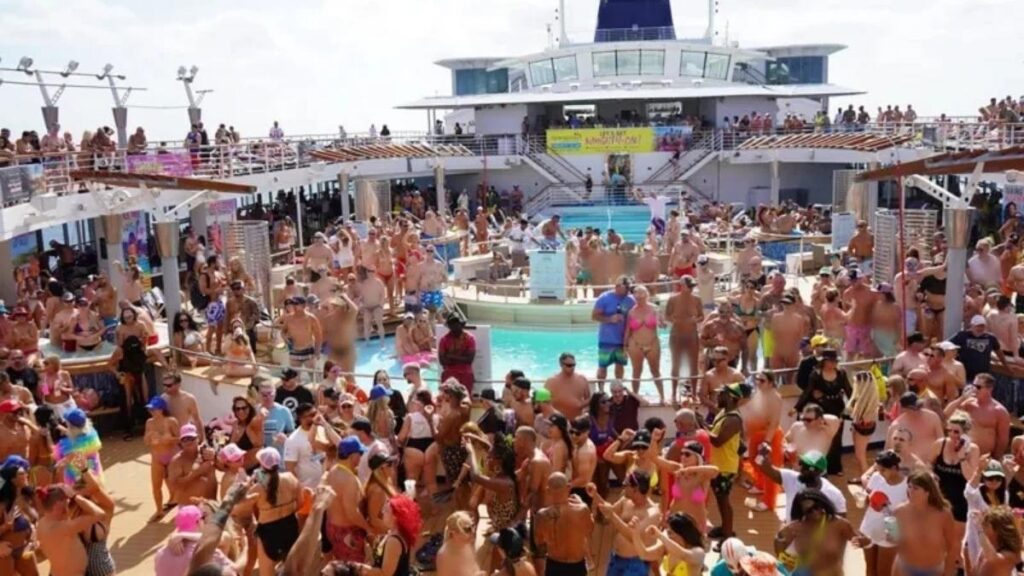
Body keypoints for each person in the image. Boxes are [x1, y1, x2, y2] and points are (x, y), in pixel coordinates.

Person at [774, 489, 864, 575]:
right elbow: (780, 550)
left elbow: (860, 542)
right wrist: (780, 539)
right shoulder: (796, 527)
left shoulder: (840, 524)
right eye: (809, 510)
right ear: (802, 512)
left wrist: (867, 541)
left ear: (822, 502)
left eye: (816, 506)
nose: (815, 512)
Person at [794, 349, 851, 476]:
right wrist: (797, 407)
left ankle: (835, 467)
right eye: (831, 361)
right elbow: (808, 391)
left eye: (835, 361)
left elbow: (848, 390)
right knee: (822, 437)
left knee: (836, 438)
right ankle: (820, 466)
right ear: (824, 362)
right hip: (821, 408)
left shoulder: (841, 373)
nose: (833, 364)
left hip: (837, 408)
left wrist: (855, 405)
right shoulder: (816, 374)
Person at [892, 470, 958, 576]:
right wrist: (889, 530)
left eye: (916, 488)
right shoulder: (899, 512)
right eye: (909, 487)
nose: (910, 491)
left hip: (934, 571)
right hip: (904, 569)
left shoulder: (943, 514)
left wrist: (949, 571)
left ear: (928, 492)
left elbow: (952, 546)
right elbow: (894, 540)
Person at [36, 483, 110, 576]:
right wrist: (76, 496)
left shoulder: (42, 523)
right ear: (57, 504)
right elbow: (100, 514)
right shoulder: (64, 528)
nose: (68, 501)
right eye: (66, 499)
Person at [249, 447, 300, 576]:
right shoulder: (290, 478)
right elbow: (301, 501)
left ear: (262, 465)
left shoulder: (258, 488)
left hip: (268, 531)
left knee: (266, 573)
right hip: (290, 526)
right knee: (292, 571)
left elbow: (247, 508)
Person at [534, 472, 593, 576]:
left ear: (548, 491)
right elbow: (589, 529)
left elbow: (539, 543)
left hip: (555, 566)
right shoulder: (583, 510)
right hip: (577, 566)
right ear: (569, 487)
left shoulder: (541, 515)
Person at [346, 494, 421, 576]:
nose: (382, 512)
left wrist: (359, 568)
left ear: (395, 517)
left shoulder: (394, 541)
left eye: (386, 511)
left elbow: (385, 573)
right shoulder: (393, 532)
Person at [858, 450, 906, 576]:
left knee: (884, 573)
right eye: (878, 470)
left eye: (883, 470)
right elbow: (870, 500)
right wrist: (863, 499)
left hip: (890, 532)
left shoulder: (907, 486)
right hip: (869, 529)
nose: (880, 473)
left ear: (895, 468)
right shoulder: (876, 477)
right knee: (870, 570)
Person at [742, 371, 783, 512]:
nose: (758, 382)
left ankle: (769, 501)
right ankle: (760, 485)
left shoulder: (775, 398)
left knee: (769, 469)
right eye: (757, 380)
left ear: (771, 383)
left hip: (769, 436)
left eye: (762, 380)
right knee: (753, 460)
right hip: (755, 434)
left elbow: (774, 422)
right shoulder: (758, 394)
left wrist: (767, 442)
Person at [943, 372, 1010, 457]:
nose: (974, 389)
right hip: (963, 454)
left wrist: (996, 458)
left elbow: (1002, 440)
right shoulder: (968, 404)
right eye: (973, 386)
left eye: (978, 387)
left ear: (989, 389)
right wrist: (961, 398)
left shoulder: (999, 411)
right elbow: (946, 415)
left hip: (983, 457)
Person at [708, 385, 744, 541]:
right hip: (718, 465)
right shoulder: (723, 413)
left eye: (721, 394)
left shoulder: (734, 419)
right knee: (720, 499)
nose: (718, 397)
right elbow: (715, 431)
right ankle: (724, 528)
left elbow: (718, 441)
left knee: (724, 500)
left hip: (725, 467)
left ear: (731, 397)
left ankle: (728, 535)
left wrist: (701, 427)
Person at [592, 276, 636, 390]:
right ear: (617, 287)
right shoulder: (604, 298)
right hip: (606, 339)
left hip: (622, 340)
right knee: (603, 366)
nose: (627, 291)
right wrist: (610, 319)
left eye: (629, 288)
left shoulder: (630, 300)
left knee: (620, 365)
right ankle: (601, 390)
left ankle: (619, 389)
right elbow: (594, 316)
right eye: (625, 288)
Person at [624, 285, 665, 403]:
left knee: (655, 371)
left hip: (652, 343)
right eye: (637, 297)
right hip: (635, 344)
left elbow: (663, 325)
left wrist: (662, 323)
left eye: (641, 296)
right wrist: (624, 347)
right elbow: (627, 330)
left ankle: (662, 397)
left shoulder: (655, 309)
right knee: (636, 372)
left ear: (647, 295)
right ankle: (635, 398)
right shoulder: (631, 312)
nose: (639, 299)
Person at [144, 395, 180, 522]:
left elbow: (181, 439)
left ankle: (180, 508)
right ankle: (159, 511)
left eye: (154, 409)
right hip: (157, 457)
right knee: (156, 486)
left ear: (161, 409)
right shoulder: (149, 423)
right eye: (150, 410)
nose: (151, 412)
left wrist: (170, 439)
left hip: (172, 457)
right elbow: (145, 441)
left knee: (176, 485)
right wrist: (149, 438)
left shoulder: (171, 421)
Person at [967, 506, 1023, 576]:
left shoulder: (1010, 554)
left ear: (998, 530)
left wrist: (979, 529)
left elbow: (992, 559)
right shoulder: (985, 550)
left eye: (986, 525)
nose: (983, 527)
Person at [949, 315, 1006, 381]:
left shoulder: (991, 338)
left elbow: (999, 352)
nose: (980, 328)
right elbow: (947, 345)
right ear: (972, 325)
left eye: (982, 326)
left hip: (982, 376)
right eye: (978, 326)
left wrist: (1006, 366)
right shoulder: (962, 335)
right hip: (965, 374)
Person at [544, 352, 590, 420]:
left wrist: (581, 407)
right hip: (558, 423)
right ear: (561, 364)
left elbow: (588, 399)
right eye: (569, 365)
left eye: (574, 365)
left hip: (577, 422)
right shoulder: (551, 381)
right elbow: (544, 403)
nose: (572, 367)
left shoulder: (582, 379)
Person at [438, 316, 476, 394]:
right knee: (448, 399)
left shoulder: (470, 338)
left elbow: (469, 360)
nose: (454, 328)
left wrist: (450, 356)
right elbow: (442, 361)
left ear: (461, 325)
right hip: (449, 373)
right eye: (451, 326)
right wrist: (462, 358)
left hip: (465, 374)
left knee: (465, 399)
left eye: (456, 325)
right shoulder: (444, 339)